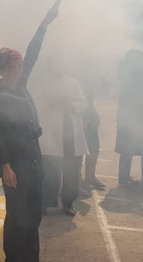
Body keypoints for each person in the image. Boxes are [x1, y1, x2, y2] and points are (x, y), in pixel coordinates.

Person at [0, 7, 58, 262]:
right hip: (14, 162)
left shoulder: (21, 86)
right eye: (14, 65)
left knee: (34, 214)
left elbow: (33, 52)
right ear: (3, 70)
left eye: (19, 64)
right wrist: (5, 165)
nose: (19, 68)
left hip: (33, 157)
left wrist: (43, 25)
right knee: (17, 216)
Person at [38, 72, 89, 216]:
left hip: (71, 136)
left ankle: (68, 203)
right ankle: (45, 203)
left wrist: (70, 104)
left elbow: (84, 104)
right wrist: (52, 103)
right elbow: (36, 106)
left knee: (71, 171)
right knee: (49, 171)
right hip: (51, 135)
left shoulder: (72, 82)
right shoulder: (43, 82)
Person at [115, 50, 143, 187]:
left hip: (133, 118)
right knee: (142, 149)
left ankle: (126, 178)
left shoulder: (131, 75)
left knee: (130, 150)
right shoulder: (136, 77)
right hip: (135, 119)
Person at [82, 82, 105, 190]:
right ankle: (76, 180)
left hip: (89, 116)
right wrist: (85, 118)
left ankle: (90, 177)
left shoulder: (90, 82)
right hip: (81, 117)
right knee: (77, 151)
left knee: (94, 149)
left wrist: (94, 115)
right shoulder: (79, 79)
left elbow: (89, 101)